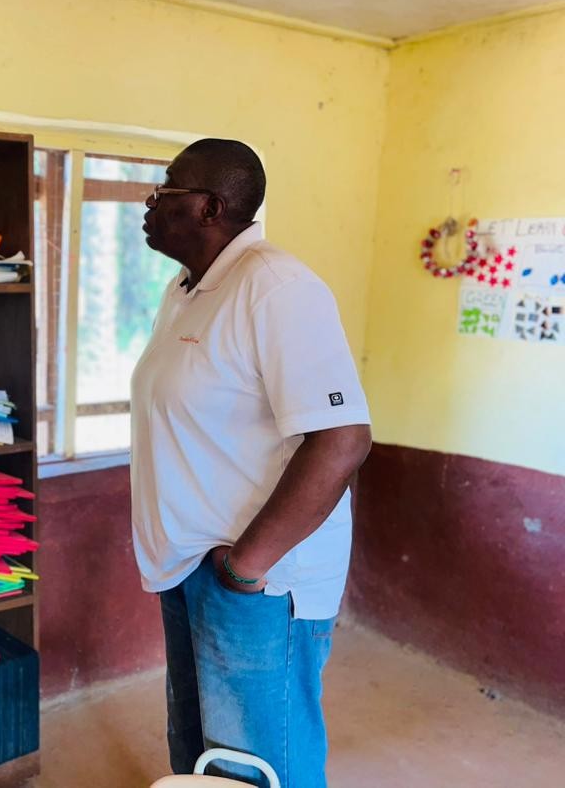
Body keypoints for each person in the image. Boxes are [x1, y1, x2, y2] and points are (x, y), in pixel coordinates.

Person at [131, 139, 372, 788]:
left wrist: (245, 568)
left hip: (256, 582)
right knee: (202, 757)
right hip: (188, 566)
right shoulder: (187, 289)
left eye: (165, 192)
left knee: (263, 767)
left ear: (210, 208)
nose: (149, 205)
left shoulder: (277, 288)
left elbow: (342, 440)